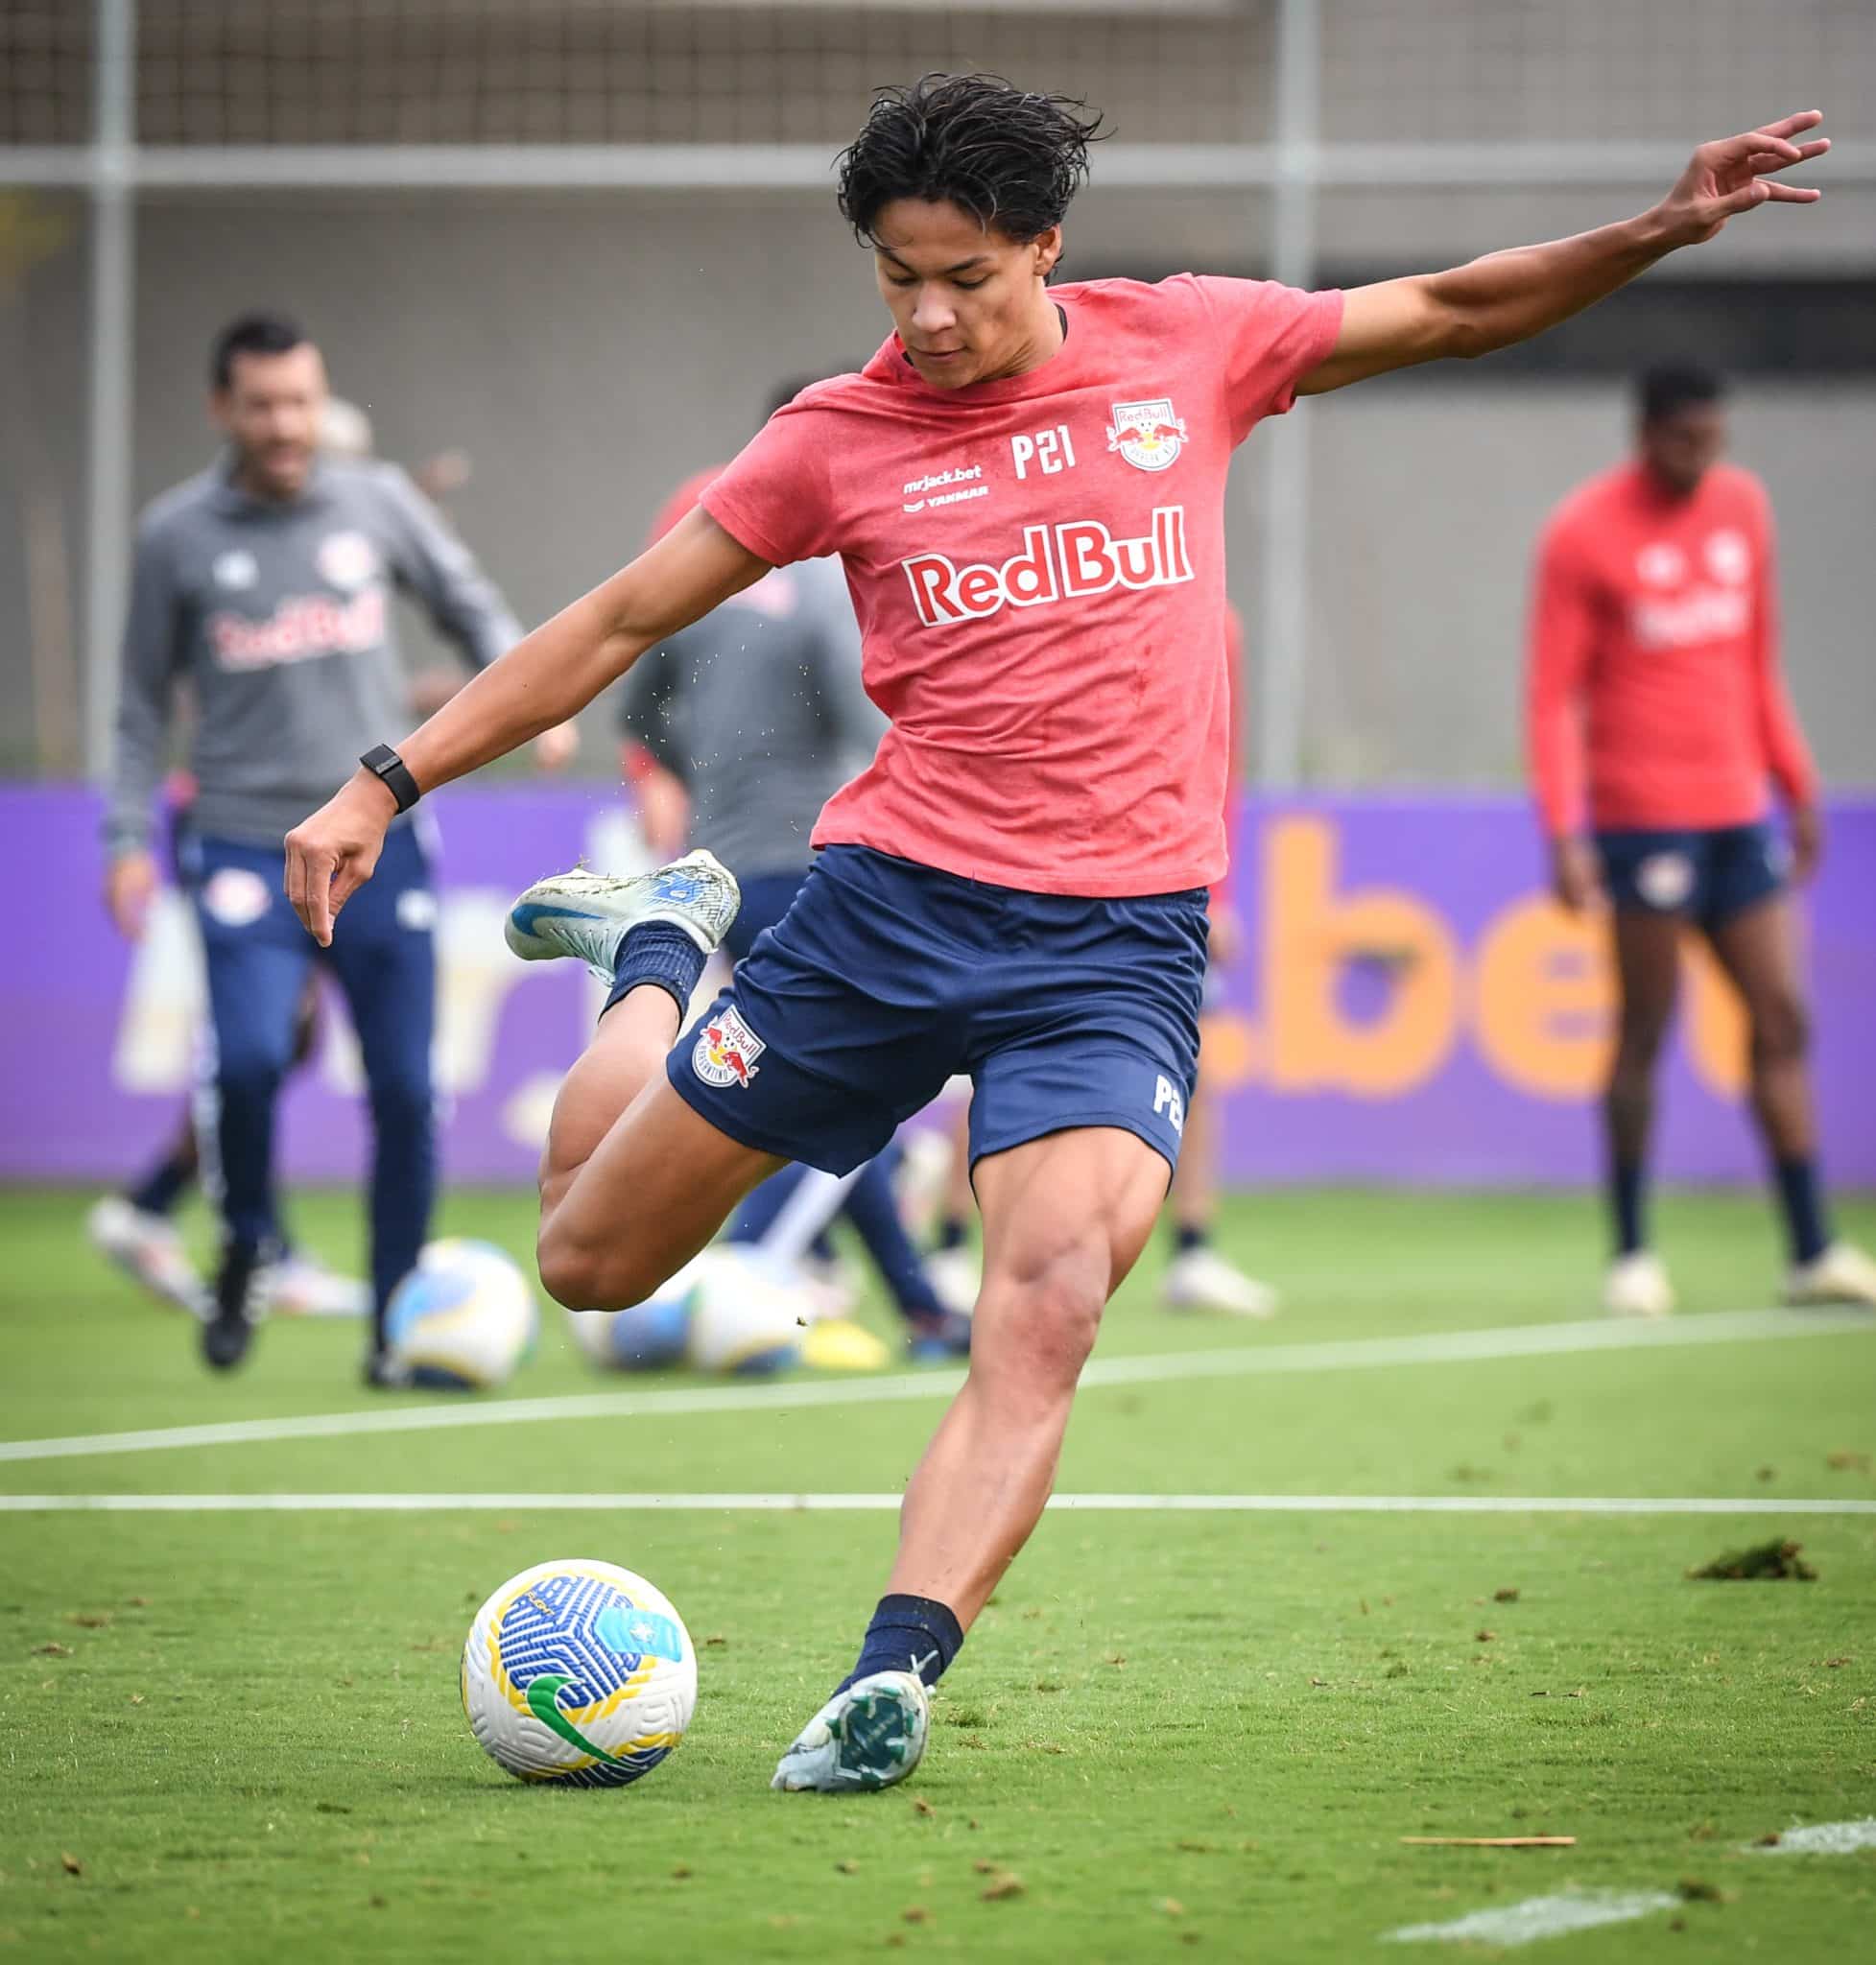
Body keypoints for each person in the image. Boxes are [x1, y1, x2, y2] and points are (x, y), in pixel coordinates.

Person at [285, 79, 1832, 1789]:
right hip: (889, 915)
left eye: (967, 276)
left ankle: (891, 1676)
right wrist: (387, 778)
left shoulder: (1194, 346)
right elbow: (615, 618)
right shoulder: (830, 436)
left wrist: (1656, 229)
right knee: (590, 1260)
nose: (930, 316)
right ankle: (659, 951)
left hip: (1116, 947)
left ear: (1046, 245)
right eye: (897, 278)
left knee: (1050, 1293)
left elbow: (1458, 309)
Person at [104, 310, 536, 1379]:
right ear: (223, 410)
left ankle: (393, 1324)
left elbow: (473, 608)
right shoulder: (177, 535)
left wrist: (529, 696)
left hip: (376, 838)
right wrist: (124, 836)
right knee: (247, 1061)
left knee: (403, 1087)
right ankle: (247, 1244)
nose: (285, 424)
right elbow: (134, 704)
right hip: (245, 842)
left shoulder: (377, 501)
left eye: (300, 401)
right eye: (262, 405)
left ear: (320, 398)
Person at [621, 391, 972, 1361]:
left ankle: (907, 1304)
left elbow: (635, 699)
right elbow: (886, 727)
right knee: (834, 1089)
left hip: (726, 867)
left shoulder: (704, 575)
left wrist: (677, 783)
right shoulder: (827, 586)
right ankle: (740, 1270)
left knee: (817, 1082)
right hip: (818, 866)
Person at [1527, 361, 1876, 1317]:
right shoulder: (1582, 533)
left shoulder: (1742, 512)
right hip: (1641, 818)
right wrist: (1562, 828)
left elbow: (1754, 659)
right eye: (1683, 440)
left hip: (1736, 814)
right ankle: (1632, 1252)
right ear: (1644, 435)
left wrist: (1793, 781)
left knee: (1779, 1018)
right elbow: (1552, 695)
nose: (1700, 457)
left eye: (1712, 439)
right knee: (1644, 1027)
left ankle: (1811, 1247)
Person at [926, 604, 1278, 1321]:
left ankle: (1193, 1250)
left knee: (1194, 1059)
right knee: (996, 1053)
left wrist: (1218, 889)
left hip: (1159, 879)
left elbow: (1217, 761)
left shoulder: (1217, 625)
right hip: (1041, 869)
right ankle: (948, 1245)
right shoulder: (1058, 593)